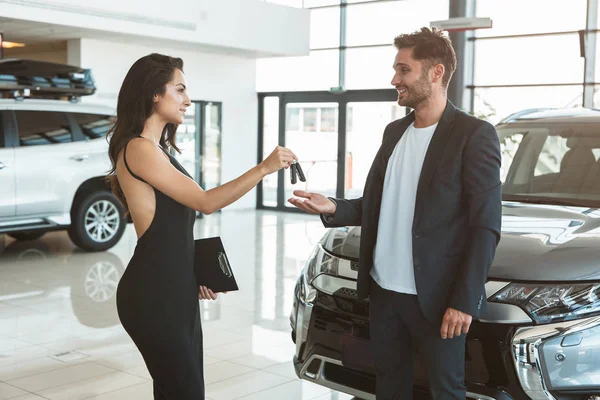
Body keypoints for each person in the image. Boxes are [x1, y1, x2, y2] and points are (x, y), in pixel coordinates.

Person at [289, 27, 501, 399]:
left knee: (445, 390)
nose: (395, 79)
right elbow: (376, 204)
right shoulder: (394, 133)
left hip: (437, 299)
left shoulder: (473, 134)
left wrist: (464, 301)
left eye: (404, 70)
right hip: (384, 293)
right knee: (388, 385)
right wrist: (333, 206)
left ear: (435, 73)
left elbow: (485, 225)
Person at [106, 53, 296, 400]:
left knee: (177, 392)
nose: (188, 100)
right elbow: (206, 202)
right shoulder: (138, 149)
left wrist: (190, 272)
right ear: (154, 94)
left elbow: (173, 228)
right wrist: (264, 168)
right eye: (179, 90)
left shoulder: (158, 150)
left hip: (173, 290)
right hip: (152, 295)